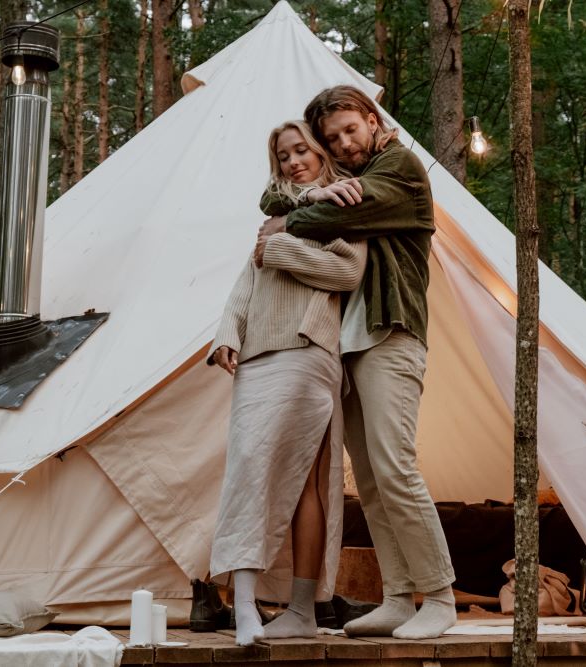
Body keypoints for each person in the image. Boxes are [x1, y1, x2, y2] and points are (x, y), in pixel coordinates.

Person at [255, 86, 457, 640]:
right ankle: (397, 596)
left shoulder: (402, 167)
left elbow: (338, 212)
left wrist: (290, 225)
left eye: (351, 130)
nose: (344, 145)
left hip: (391, 332)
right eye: (333, 139)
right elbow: (275, 199)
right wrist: (302, 205)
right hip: (347, 345)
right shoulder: (343, 175)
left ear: (372, 119)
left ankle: (439, 594)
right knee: (368, 479)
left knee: (395, 466)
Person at [208, 120, 367, 646]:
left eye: (303, 150)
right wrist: (227, 332)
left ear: (323, 155)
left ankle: (301, 606)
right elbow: (247, 278)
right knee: (249, 470)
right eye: (283, 156)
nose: (294, 161)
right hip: (258, 352)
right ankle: (247, 605)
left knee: (308, 484)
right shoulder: (276, 218)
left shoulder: (343, 205)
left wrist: (278, 247)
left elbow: (347, 273)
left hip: (307, 346)